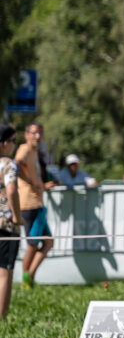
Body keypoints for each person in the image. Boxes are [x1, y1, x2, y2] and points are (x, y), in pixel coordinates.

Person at [16, 122, 52, 288]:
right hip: (28, 204)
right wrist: (30, 182)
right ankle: (26, 281)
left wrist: (42, 185)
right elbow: (16, 164)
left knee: (48, 242)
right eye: (34, 133)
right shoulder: (25, 149)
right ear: (27, 134)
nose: (38, 136)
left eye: (40, 133)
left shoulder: (36, 152)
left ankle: (29, 276)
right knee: (33, 243)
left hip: (37, 203)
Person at [0, 125, 22, 317]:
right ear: (4, 143)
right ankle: (2, 317)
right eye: (14, 141)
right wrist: (16, 216)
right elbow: (12, 189)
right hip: (5, 223)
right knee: (4, 272)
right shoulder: (8, 164)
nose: (15, 145)